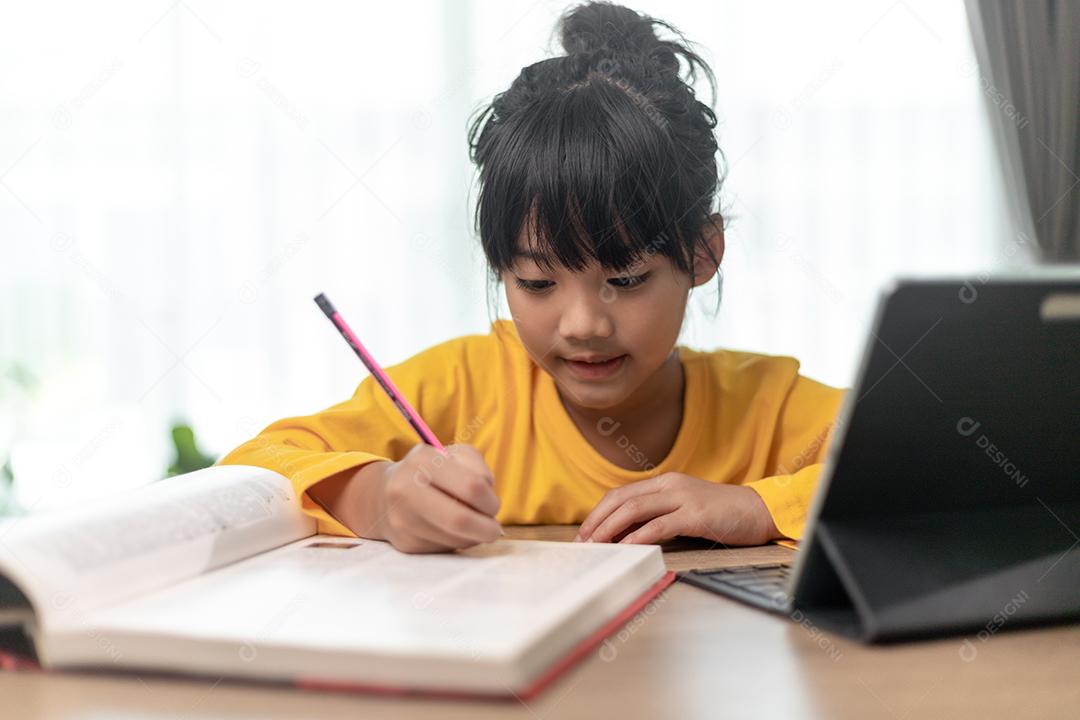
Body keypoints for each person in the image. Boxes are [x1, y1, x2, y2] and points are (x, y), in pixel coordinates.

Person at [219, 1, 845, 553]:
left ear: (703, 253)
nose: (583, 325)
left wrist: (759, 507)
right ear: (499, 266)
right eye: (538, 284)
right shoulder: (463, 389)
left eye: (627, 278)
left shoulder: (767, 409)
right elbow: (251, 471)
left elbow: (909, 461)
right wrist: (376, 496)